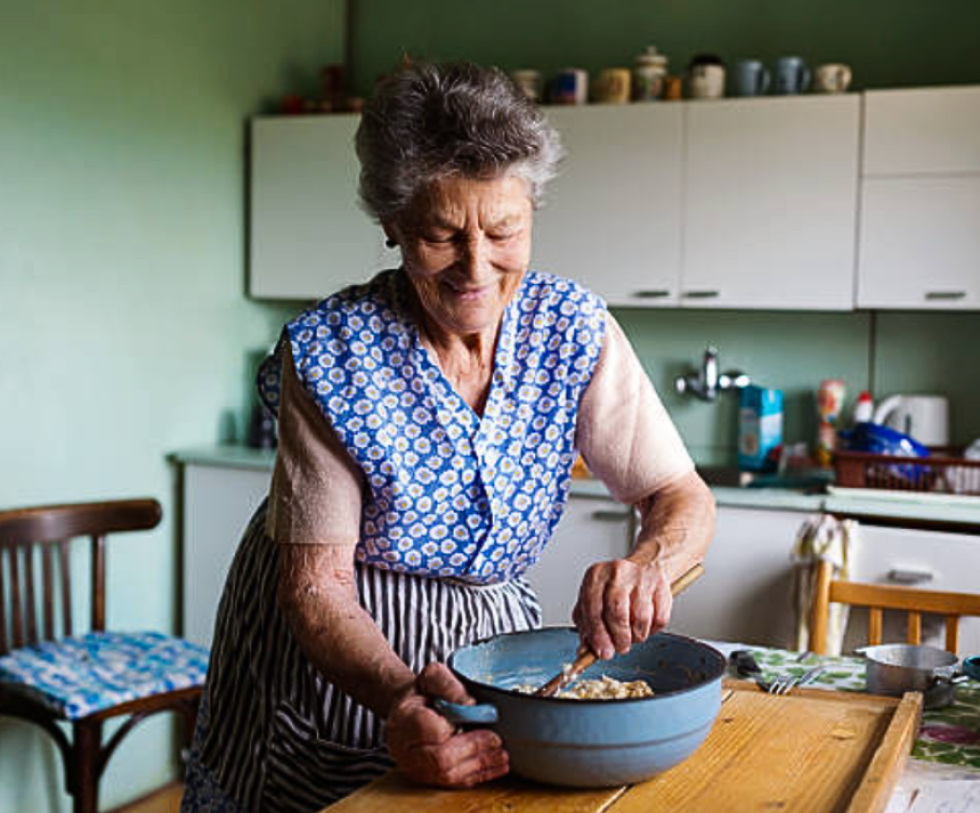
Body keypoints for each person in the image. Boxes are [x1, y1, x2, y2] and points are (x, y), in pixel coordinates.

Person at [181, 61, 715, 812]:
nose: (475, 267)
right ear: (393, 224)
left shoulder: (574, 328)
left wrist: (647, 564)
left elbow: (679, 493)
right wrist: (400, 696)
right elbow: (317, 587)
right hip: (339, 656)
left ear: (532, 211)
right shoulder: (332, 353)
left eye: (503, 231)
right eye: (441, 235)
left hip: (491, 648)